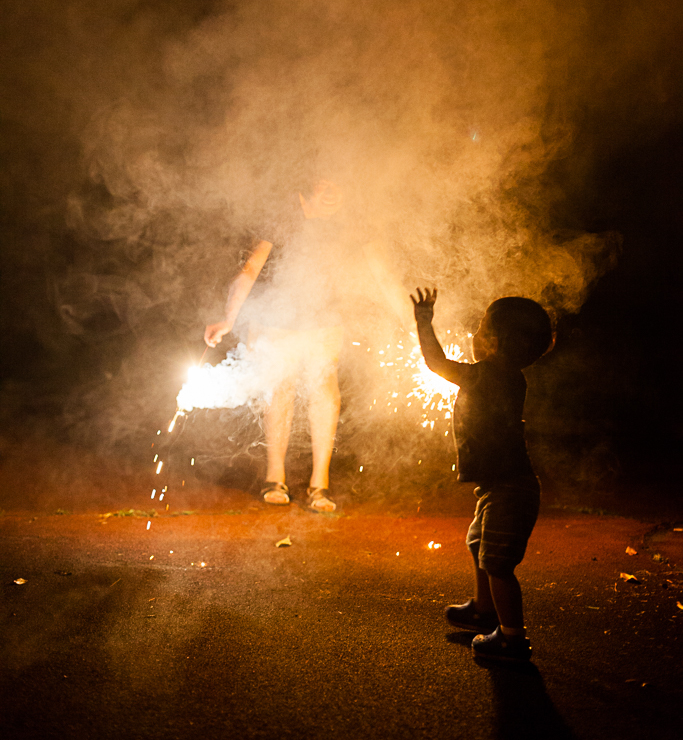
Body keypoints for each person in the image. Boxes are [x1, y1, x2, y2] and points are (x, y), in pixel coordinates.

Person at [205, 178, 409, 512]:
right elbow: (251, 268)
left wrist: (413, 322)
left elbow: (385, 275)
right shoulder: (282, 217)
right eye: (324, 187)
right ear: (305, 190)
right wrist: (228, 318)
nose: (333, 195)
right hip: (275, 320)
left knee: (325, 389)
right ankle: (275, 476)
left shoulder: (352, 224)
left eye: (338, 187)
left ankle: (320, 484)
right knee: (280, 389)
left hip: (324, 320)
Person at [411, 287, 553, 662]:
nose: (473, 336)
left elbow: (435, 363)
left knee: (498, 564)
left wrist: (424, 321)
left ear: (493, 343)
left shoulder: (489, 375)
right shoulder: (509, 376)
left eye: (479, 330)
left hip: (509, 491)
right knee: (479, 545)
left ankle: (511, 637)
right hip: (499, 488)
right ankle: (483, 610)